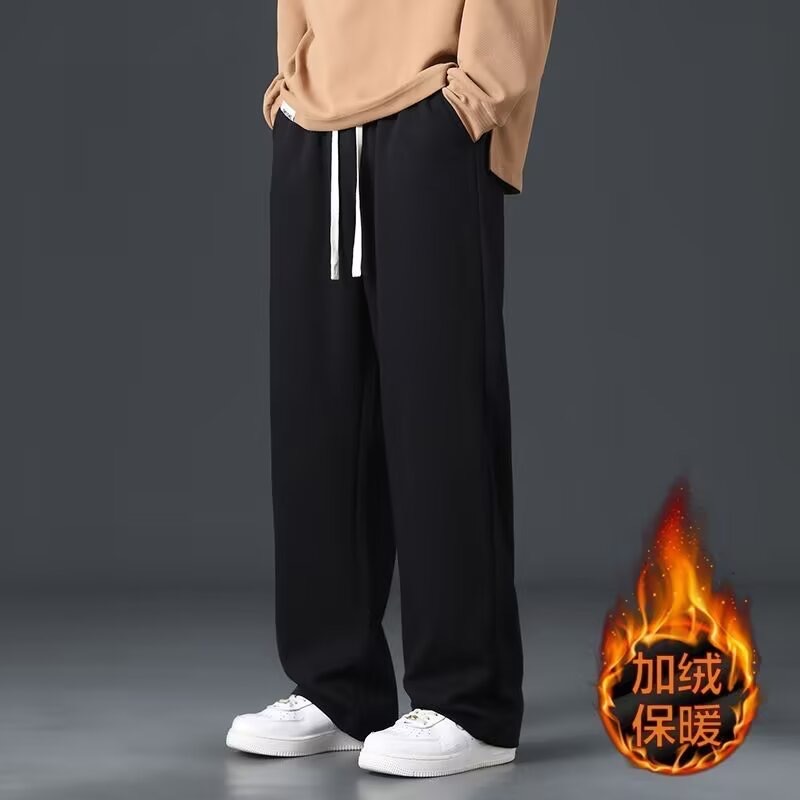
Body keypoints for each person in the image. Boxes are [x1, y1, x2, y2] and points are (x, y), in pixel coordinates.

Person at [226, 0, 558, 778]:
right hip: (316, 123)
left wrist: (473, 99)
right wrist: (287, 90)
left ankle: (470, 702)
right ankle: (337, 686)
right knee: (319, 413)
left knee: (439, 409)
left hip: (431, 107)